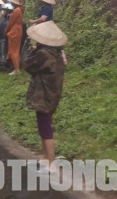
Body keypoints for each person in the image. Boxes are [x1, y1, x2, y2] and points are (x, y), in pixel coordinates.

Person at [24, 21, 68, 173]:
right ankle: (45, 158)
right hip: (51, 92)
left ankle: (51, 163)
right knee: (43, 126)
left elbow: (28, 66)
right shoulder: (56, 52)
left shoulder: (43, 54)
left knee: (45, 128)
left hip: (44, 94)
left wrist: (32, 51)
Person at [5, 0, 25, 75]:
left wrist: (6, 30)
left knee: (13, 50)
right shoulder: (20, 9)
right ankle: (16, 67)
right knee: (15, 49)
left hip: (14, 30)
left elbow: (10, 23)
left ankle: (16, 69)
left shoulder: (16, 10)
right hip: (18, 30)